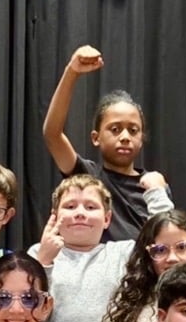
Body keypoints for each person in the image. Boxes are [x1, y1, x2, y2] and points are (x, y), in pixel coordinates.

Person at [35, 171, 175, 322]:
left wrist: (156, 192)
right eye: (70, 206)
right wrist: (43, 263)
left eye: (91, 207)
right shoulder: (37, 254)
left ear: (107, 218)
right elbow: (26, 312)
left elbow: (167, 238)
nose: (80, 213)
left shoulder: (124, 253)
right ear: (55, 216)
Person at [42, 44, 167, 240]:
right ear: (95, 137)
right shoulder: (87, 175)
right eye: (115, 129)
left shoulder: (153, 184)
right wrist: (72, 72)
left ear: (141, 139)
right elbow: (52, 134)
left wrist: (158, 190)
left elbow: (166, 238)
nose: (125, 137)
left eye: (133, 130)